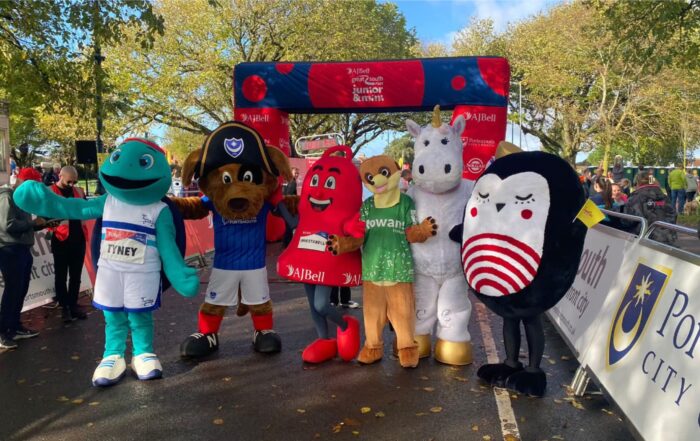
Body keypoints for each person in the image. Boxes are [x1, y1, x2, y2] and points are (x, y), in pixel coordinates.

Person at [0, 168, 56, 349]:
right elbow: (7, 225)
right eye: (31, 185)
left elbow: (22, 226)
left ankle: (15, 326)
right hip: (9, 249)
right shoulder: (7, 196)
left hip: (22, 248)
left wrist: (43, 224)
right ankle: (3, 331)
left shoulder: (20, 198)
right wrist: (33, 223)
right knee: (13, 290)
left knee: (20, 289)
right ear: (22, 182)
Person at [49, 166, 88, 322]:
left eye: (74, 181)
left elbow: (86, 208)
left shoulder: (79, 191)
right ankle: (64, 307)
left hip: (78, 238)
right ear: (60, 176)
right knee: (60, 276)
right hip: (60, 239)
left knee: (76, 276)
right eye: (69, 181)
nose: (72, 184)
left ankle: (73, 305)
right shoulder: (50, 191)